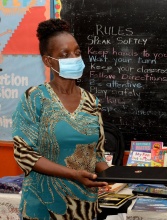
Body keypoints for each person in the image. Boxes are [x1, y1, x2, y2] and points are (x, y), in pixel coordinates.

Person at [12, 18, 109, 219]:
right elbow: (24, 154)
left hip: (84, 207)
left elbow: (97, 155)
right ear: (48, 61)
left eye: (77, 52)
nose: (74, 58)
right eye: (65, 55)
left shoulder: (92, 102)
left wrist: (114, 175)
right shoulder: (35, 98)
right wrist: (73, 174)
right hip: (43, 207)